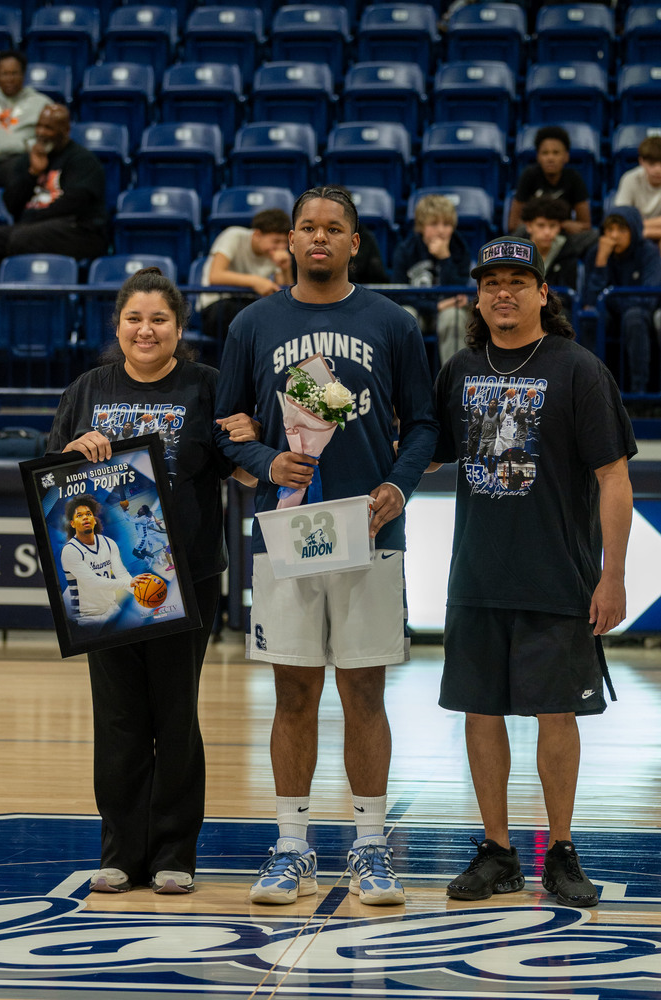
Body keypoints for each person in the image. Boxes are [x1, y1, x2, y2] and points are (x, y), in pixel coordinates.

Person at [213, 186, 438, 906]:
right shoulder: (254, 321)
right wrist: (265, 464)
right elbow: (225, 425)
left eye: (331, 228)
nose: (317, 237)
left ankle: (370, 849)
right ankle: (290, 848)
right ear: (288, 243)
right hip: (287, 534)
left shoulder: (390, 321)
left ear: (353, 242)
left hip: (370, 533)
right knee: (293, 691)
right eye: (306, 227)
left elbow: (426, 424)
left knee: (365, 691)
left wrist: (396, 488)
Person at [431, 236, 636, 908]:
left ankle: (561, 850)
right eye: (491, 282)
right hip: (477, 580)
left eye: (518, 280)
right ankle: (496, 850)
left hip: (558, 579)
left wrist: (612, 575)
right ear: (477, 296)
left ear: (543, 293)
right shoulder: (459, 368)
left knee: (556, 716)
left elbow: (612, 477)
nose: (503, 293)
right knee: (479, 712)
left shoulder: (577, 369)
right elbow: (422, 451)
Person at [47, 267, 257, 896]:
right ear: (118, 326)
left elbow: (243, 474)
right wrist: (70, 452)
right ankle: (120, 852)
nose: (146, 330)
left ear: (179, 328)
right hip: (108, 586)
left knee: (175, 716)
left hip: (183, 580)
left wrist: (252, 441)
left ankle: (173, 855)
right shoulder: (89, 388)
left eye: (159, 319)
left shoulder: (207, 386)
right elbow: (52, 469)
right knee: (117, 719)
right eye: (135, 319)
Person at [0, 103, 108, 270]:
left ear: (65, 131)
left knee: (22, 237)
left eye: (48, 128)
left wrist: (31, 217)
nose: (41, 132)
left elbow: (74, 203)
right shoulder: (29, 160)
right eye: (39, 126)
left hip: (79, 231)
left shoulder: (82, 160)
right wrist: (33, 173)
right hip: (32, 228)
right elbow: (11, 203)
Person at [583, 206, 661, 394]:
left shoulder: (648, 252)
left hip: (638, 316)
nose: (614, 236)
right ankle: (591, 392)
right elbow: (590, 301)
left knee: (634, 317)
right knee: (591, 319)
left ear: (633, 231)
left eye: (621, 230)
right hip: (611, 314)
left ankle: (638, 394)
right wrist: (601, 262)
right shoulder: (596, 253)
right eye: (609, 230)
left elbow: (650, 297)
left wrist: (610, 299)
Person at [392, 193, 471, 366]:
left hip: (445, 313)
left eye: (447, 224)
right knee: (405, 315)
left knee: (454, 315)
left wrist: (445, 257)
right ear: (421, 226)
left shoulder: (459, 247)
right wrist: (436, 306)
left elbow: (459, 289)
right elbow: (399, 294)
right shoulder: (405, 250)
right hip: (417, 311)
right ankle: (405, 386)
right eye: (434, 224)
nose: (442, 230)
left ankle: (453, 382)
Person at [200, 208, 294, 352]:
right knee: (256, 318)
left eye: (284, 242)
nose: (281, 247)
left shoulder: (274, 254)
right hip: (217, 306)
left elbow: (283, 292)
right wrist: (255, 281)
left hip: (249, 307)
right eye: (276, 241)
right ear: (257, 234)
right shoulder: (233, 235)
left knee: (280, 315)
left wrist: (285, 268)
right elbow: (215, 276)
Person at [61, 496, 149, 628]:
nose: (85, 517)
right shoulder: (70, 551)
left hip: (112, 609)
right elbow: (93, 582)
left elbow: (122, 574)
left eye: (88, 514)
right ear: (72, 524)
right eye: (79, 515)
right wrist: (128, 582)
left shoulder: (108, 543)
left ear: (94, 520)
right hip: (86, 617)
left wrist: (142, 590)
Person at [508, 126, 591, 235]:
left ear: (566, 156)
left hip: (562, 235)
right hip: (534, 235)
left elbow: (586, 224)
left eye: (556, 153)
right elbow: (513, 224)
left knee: (592, 236)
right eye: (545, 153)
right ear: (538, 157)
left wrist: (558, 226)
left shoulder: (573, 178)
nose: (550, 158)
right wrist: (540, 228)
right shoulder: (529, 175)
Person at [0, 51, 49, 188]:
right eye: (4, 74)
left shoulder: (41, 103)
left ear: (24, 75)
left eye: (14, 73)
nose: (10, 79)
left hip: (18, 162)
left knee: (20, 167)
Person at [614, 135, 661, 249]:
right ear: (641, 161)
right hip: (633, 233)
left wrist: (643, 231)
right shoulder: (629, 179)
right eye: (652, 164)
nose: (658, 169)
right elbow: (621, 219)